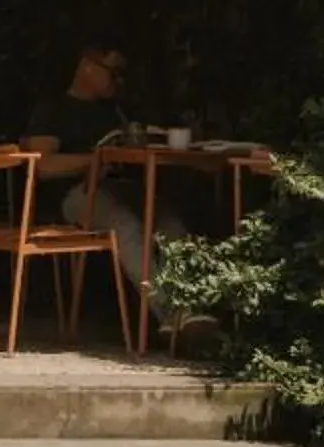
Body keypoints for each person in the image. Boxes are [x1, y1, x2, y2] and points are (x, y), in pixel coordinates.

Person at [26, 42, 206, 347]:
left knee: (170, 223)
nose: (118, 81)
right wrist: (94, 160)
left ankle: (194, 310)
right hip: (78, 193)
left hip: (121, 187)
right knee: (126, 226)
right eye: (113, 73)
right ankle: (171, 314)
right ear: (87, 66)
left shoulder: (117, 113)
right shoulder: (53, 109)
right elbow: (42, 166)